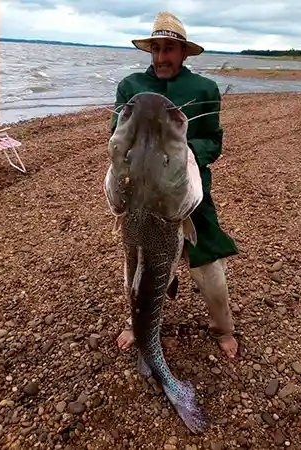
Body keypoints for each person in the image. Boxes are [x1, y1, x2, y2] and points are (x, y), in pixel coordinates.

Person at [109, 11, 241, 358]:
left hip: (188, 193)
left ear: (184, 53)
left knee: (208, 265)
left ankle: (222, 326)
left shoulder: (205, 89)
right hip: (138, 193)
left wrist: (182, 154)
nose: (162, 57)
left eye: (169, 49)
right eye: (156, 48)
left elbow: (213, 142)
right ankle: (135, 322)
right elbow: (117, 137)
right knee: (135, 263)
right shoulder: (130, 86)